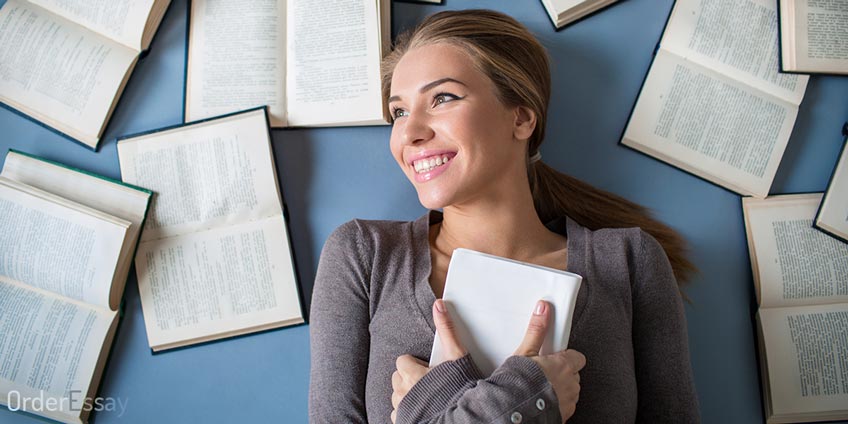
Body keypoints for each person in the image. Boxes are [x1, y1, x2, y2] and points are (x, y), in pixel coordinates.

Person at [309, 9, 700, 424]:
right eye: (399, 112)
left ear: (522, 117)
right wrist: (525, 401)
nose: (409, 133)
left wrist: (432, 406)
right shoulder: (364, 256)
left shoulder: (630, 262)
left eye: (442, 98)